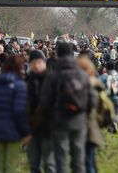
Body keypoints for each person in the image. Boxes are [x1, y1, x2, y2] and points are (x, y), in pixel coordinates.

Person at [39, 42, 95, 173]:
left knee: (61, 158)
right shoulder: (82, 75)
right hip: (79, 121)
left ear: (57, 54)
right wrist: (83, 112)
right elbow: (92, 99)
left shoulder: (53, 75)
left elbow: (45, 101)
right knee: (78, 158)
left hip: (59, 121)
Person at [0, 55, 31, 173]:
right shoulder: (20, 86)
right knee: (10, 166)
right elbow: (19, 111)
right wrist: (25, 132)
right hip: (14, 132)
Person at [26, 50, 55, 173]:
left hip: (49, 129)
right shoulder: (27, 81)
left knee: (49, 164)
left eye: (39, 62)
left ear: (44, 62)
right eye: (33, 63)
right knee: (34, 164)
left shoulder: (53, 80)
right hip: (31, 129)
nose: (36, 66)